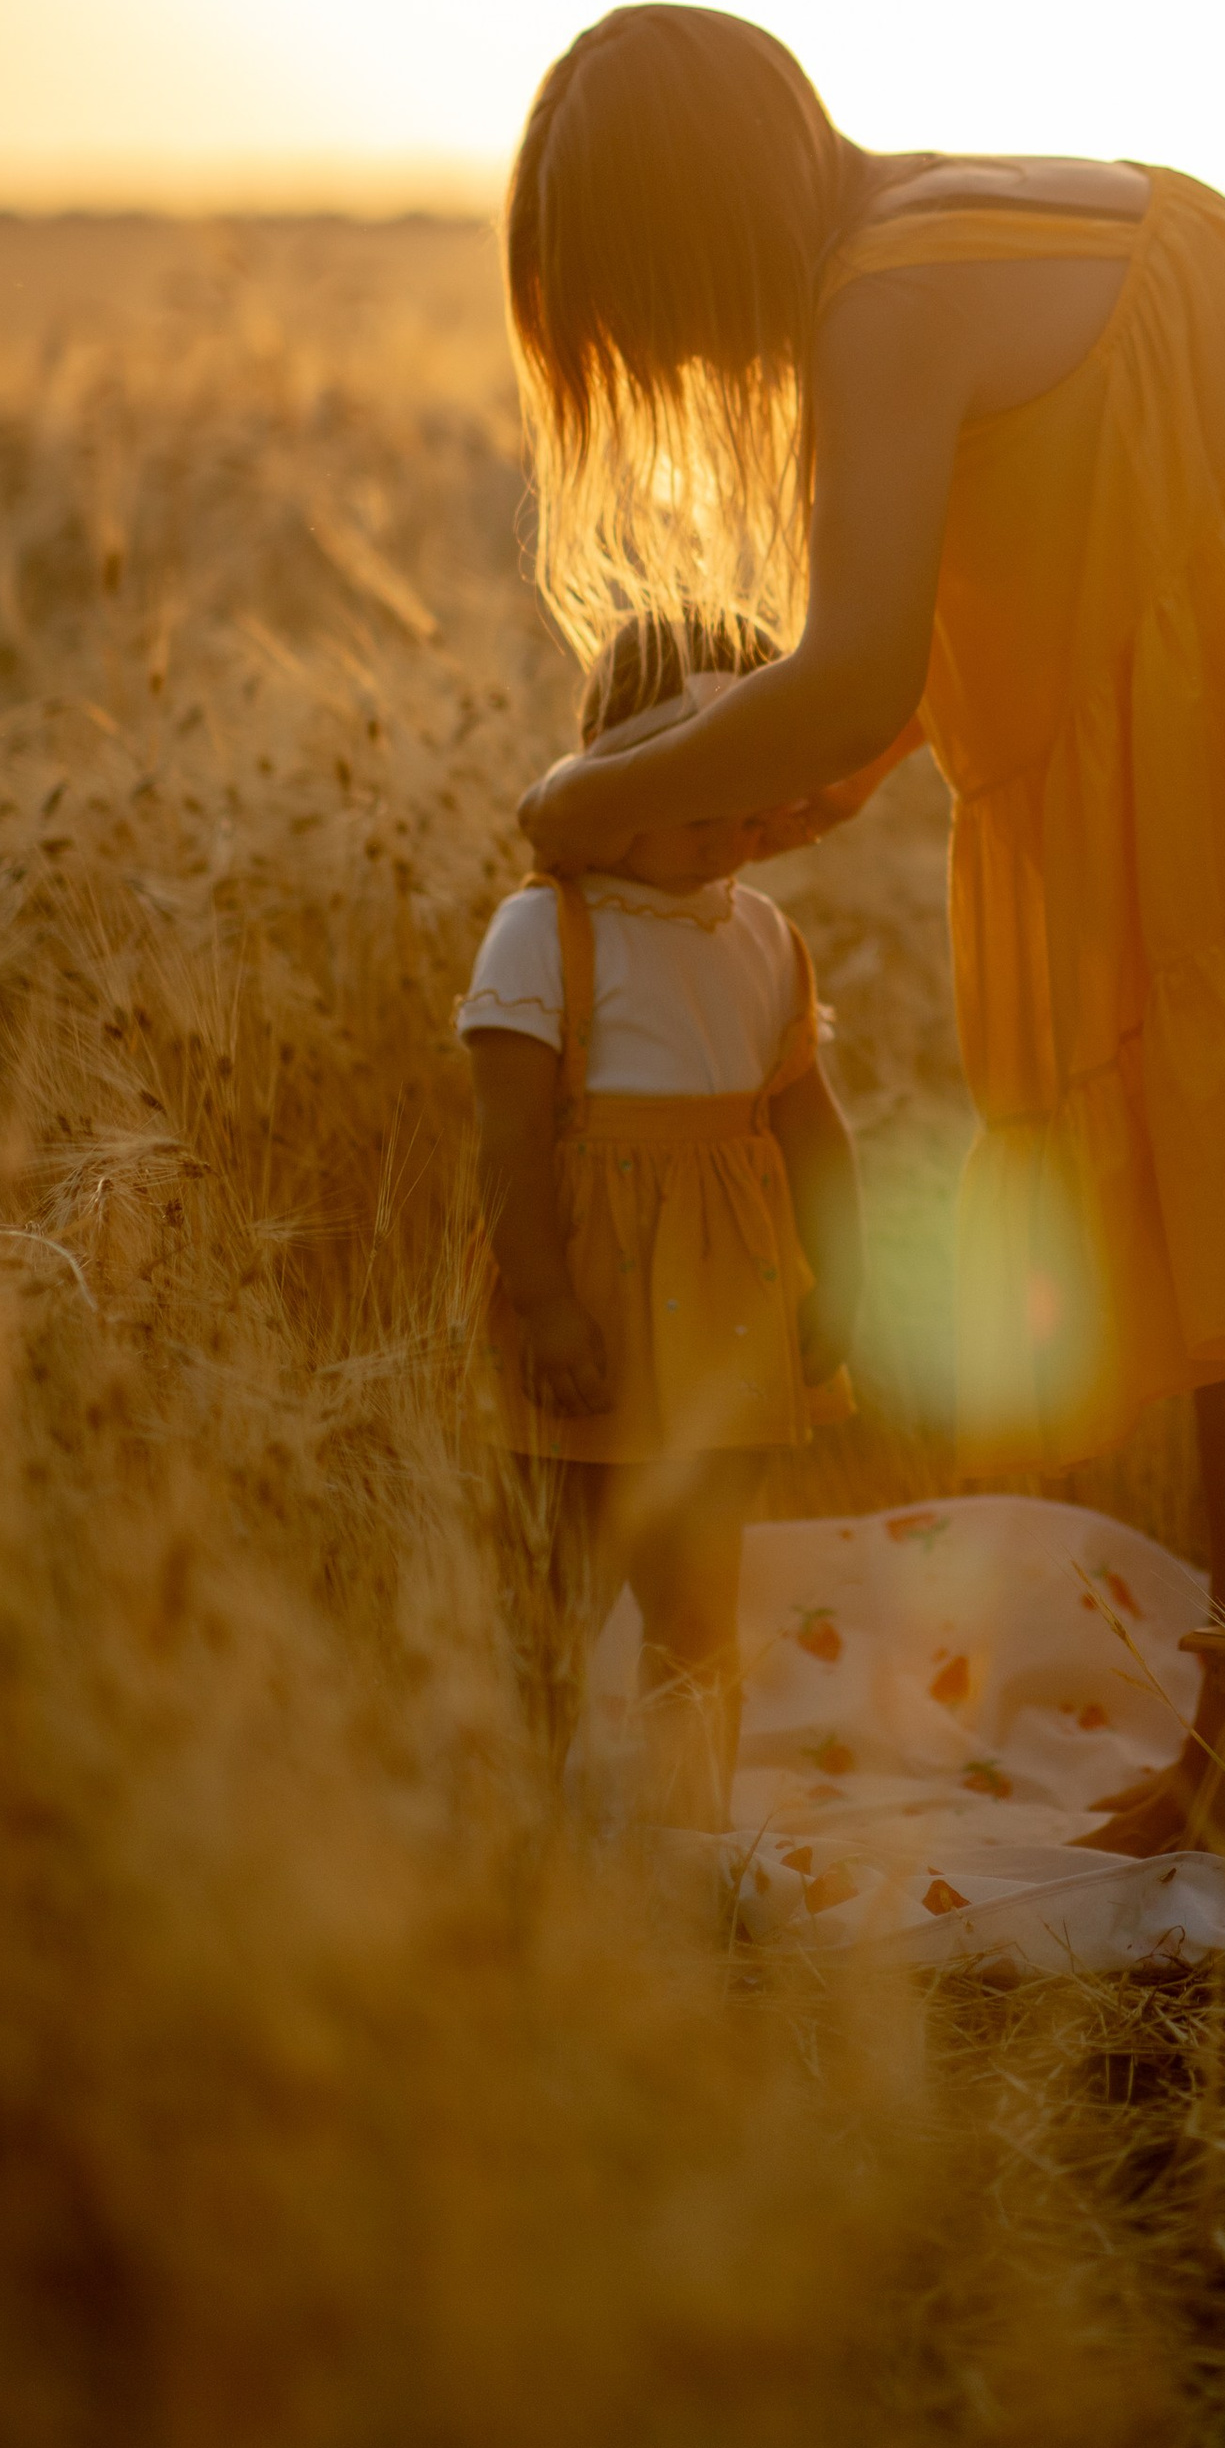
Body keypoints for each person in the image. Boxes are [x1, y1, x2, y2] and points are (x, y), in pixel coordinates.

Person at [507, 4, 1225, 1605]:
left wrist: (590, 800)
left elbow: (848, 672)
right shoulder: (926, 222)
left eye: (671, 325)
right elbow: (1020, 561)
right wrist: (860, 762)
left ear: (700, 237)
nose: (698, 367)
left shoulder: (883, 302)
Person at [461, 603, 865, 1822]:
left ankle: (690, 1837)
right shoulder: (548, 932)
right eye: (694, 799)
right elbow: (511, 1142)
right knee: (551, 1585)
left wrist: (836, 1277)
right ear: (610, 788)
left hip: (728, 1325)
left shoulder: (764, 937)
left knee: (697, 1598)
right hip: (588, 1312)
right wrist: (543, 1306)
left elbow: (810, 1128)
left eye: (746, 799)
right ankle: (518, 1829)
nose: (728, 830)